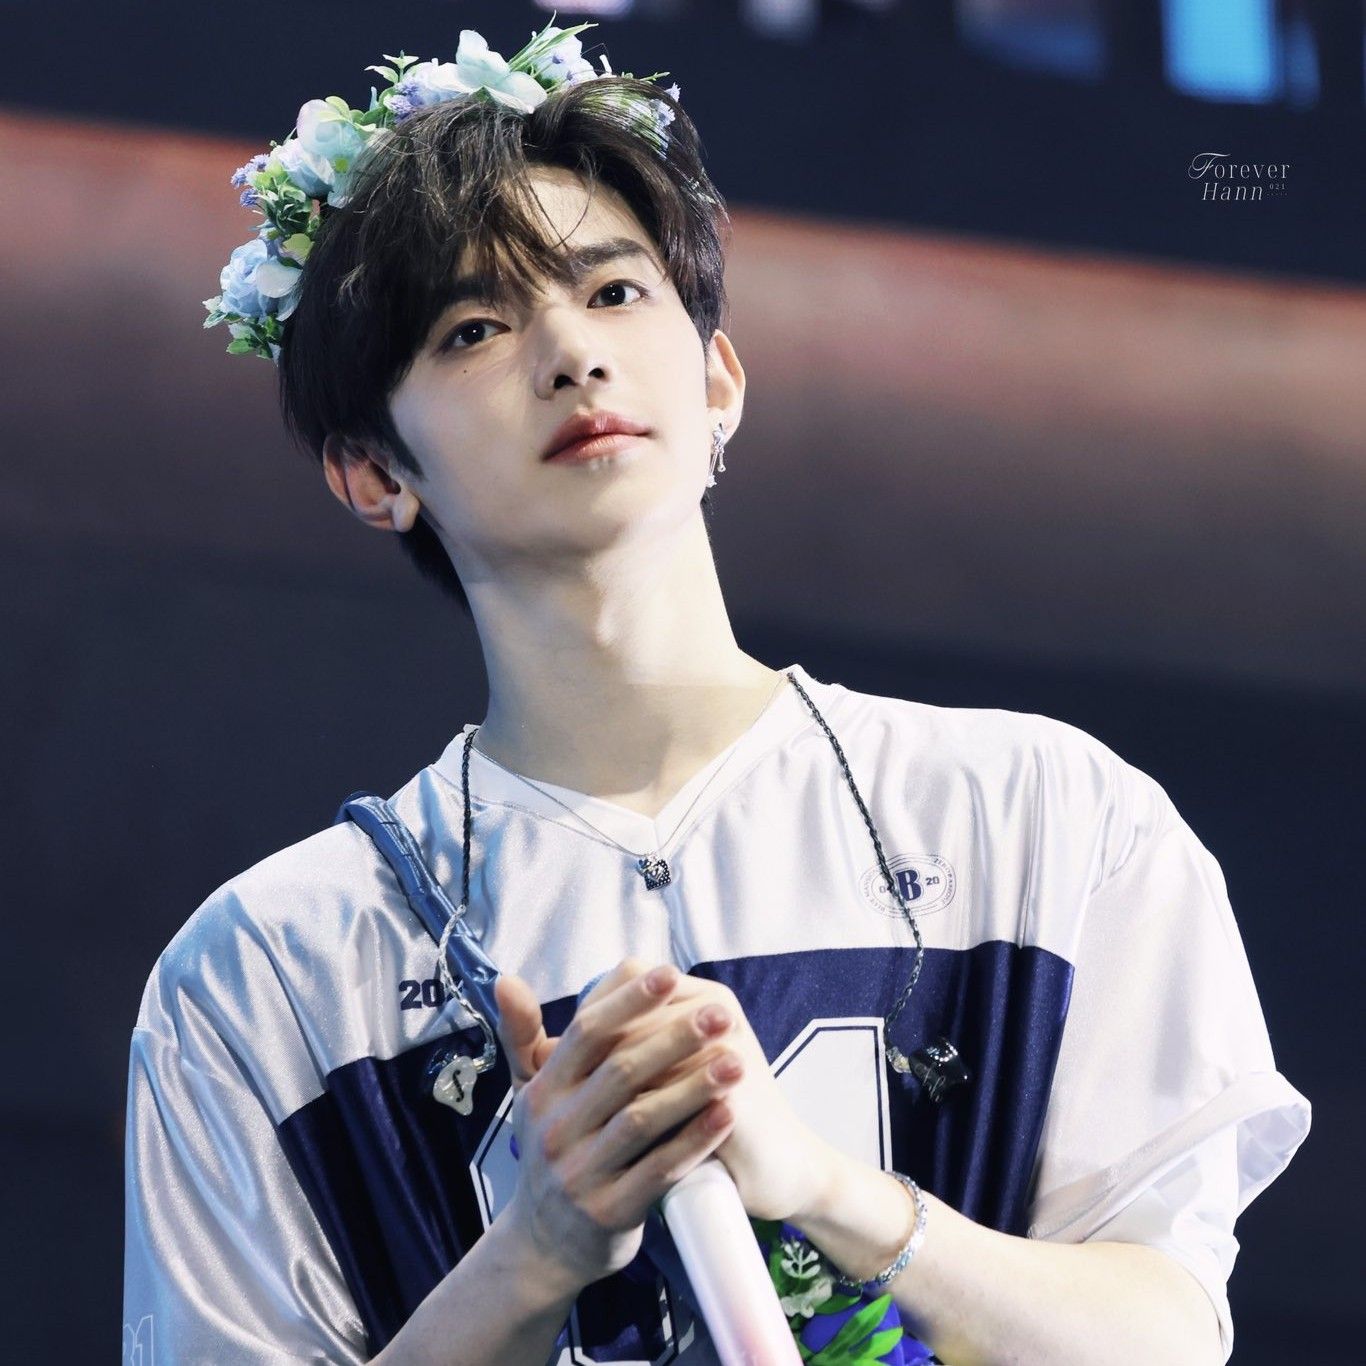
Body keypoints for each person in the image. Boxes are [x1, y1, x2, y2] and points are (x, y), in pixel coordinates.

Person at [124, 21, 1310, 1366]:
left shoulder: (1042, 815)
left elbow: (1163, 1332)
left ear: (719, 377)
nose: (570, 353)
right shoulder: (268, 971)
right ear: (371, 474)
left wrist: (834, 1194)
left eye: (615, 291)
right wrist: (535, 1252)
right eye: (473, 327)